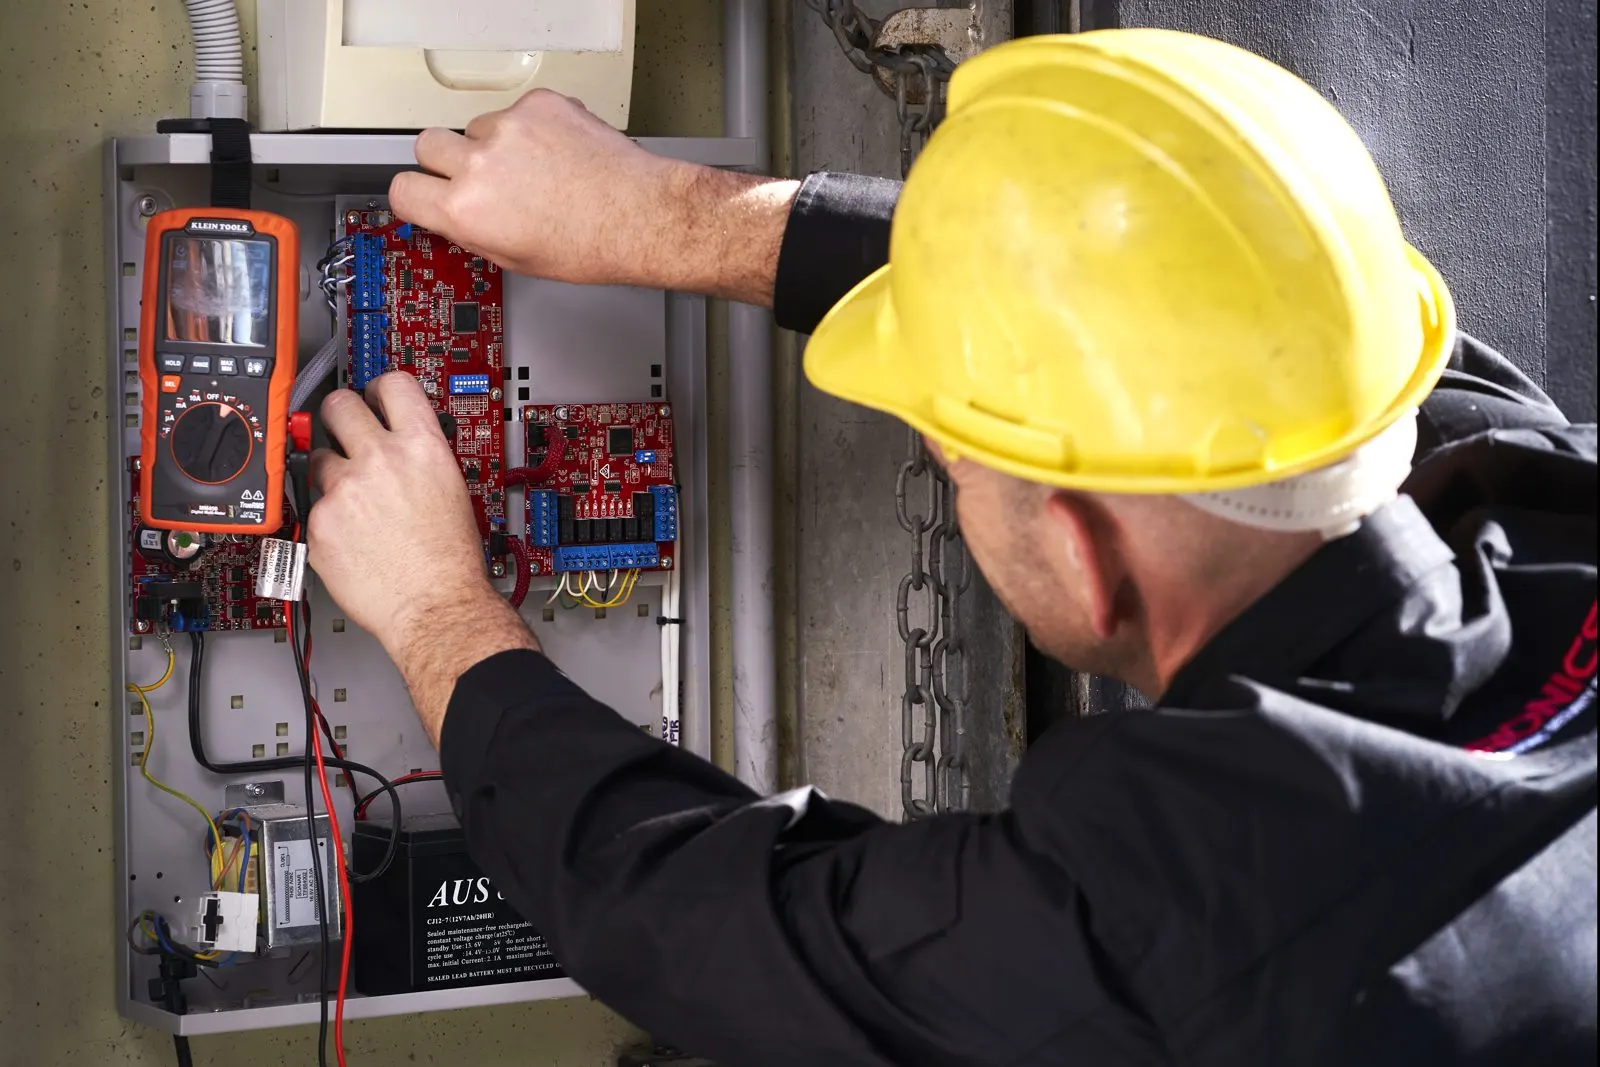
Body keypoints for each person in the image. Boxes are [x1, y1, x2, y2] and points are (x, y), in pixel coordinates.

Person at [306, 30, 1596, 1067]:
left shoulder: (1180, 914)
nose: (935, 453)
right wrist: (662, 219)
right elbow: (1189, 291)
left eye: (956, 454)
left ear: (1085, 550)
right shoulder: (1547, 508)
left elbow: (701, 921)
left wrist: (435, 610)